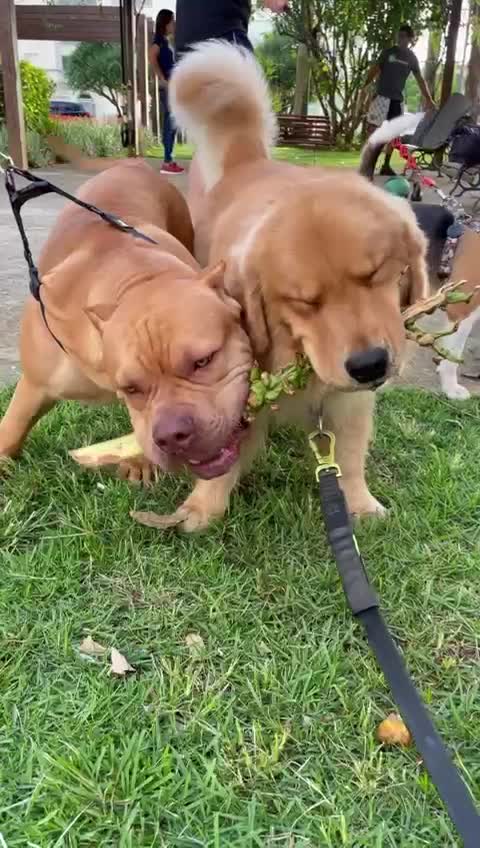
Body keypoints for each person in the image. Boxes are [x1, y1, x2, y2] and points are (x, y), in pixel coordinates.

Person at [174, 0, 289, 221]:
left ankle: (200, 229)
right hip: (223, 40)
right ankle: (243, 226)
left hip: (190, 44)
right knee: (250, 140)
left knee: (208, 143)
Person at [362, 24, 435, 176]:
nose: (400, 39)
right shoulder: (388, 53)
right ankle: (368, 165)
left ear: (410, 39)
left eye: (403, 36)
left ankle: (386, 165)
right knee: (374, 132)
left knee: (393, 136)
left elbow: (420, 80)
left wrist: (429, 99)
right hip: (382, 98)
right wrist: (364, 86)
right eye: (399, 35)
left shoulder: (411, 58)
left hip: (397, 101)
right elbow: (375, 69)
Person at [150, 9, 184, 175]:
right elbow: (152, 57)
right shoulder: (159, 41)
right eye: (173, 21)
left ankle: (169, 160)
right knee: (170, 124)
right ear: (166, 23)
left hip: (172, 85)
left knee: (171, 124)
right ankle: (167, 161)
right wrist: (162, 78)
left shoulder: (165, 40)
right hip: (168, 86)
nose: (174, 24)